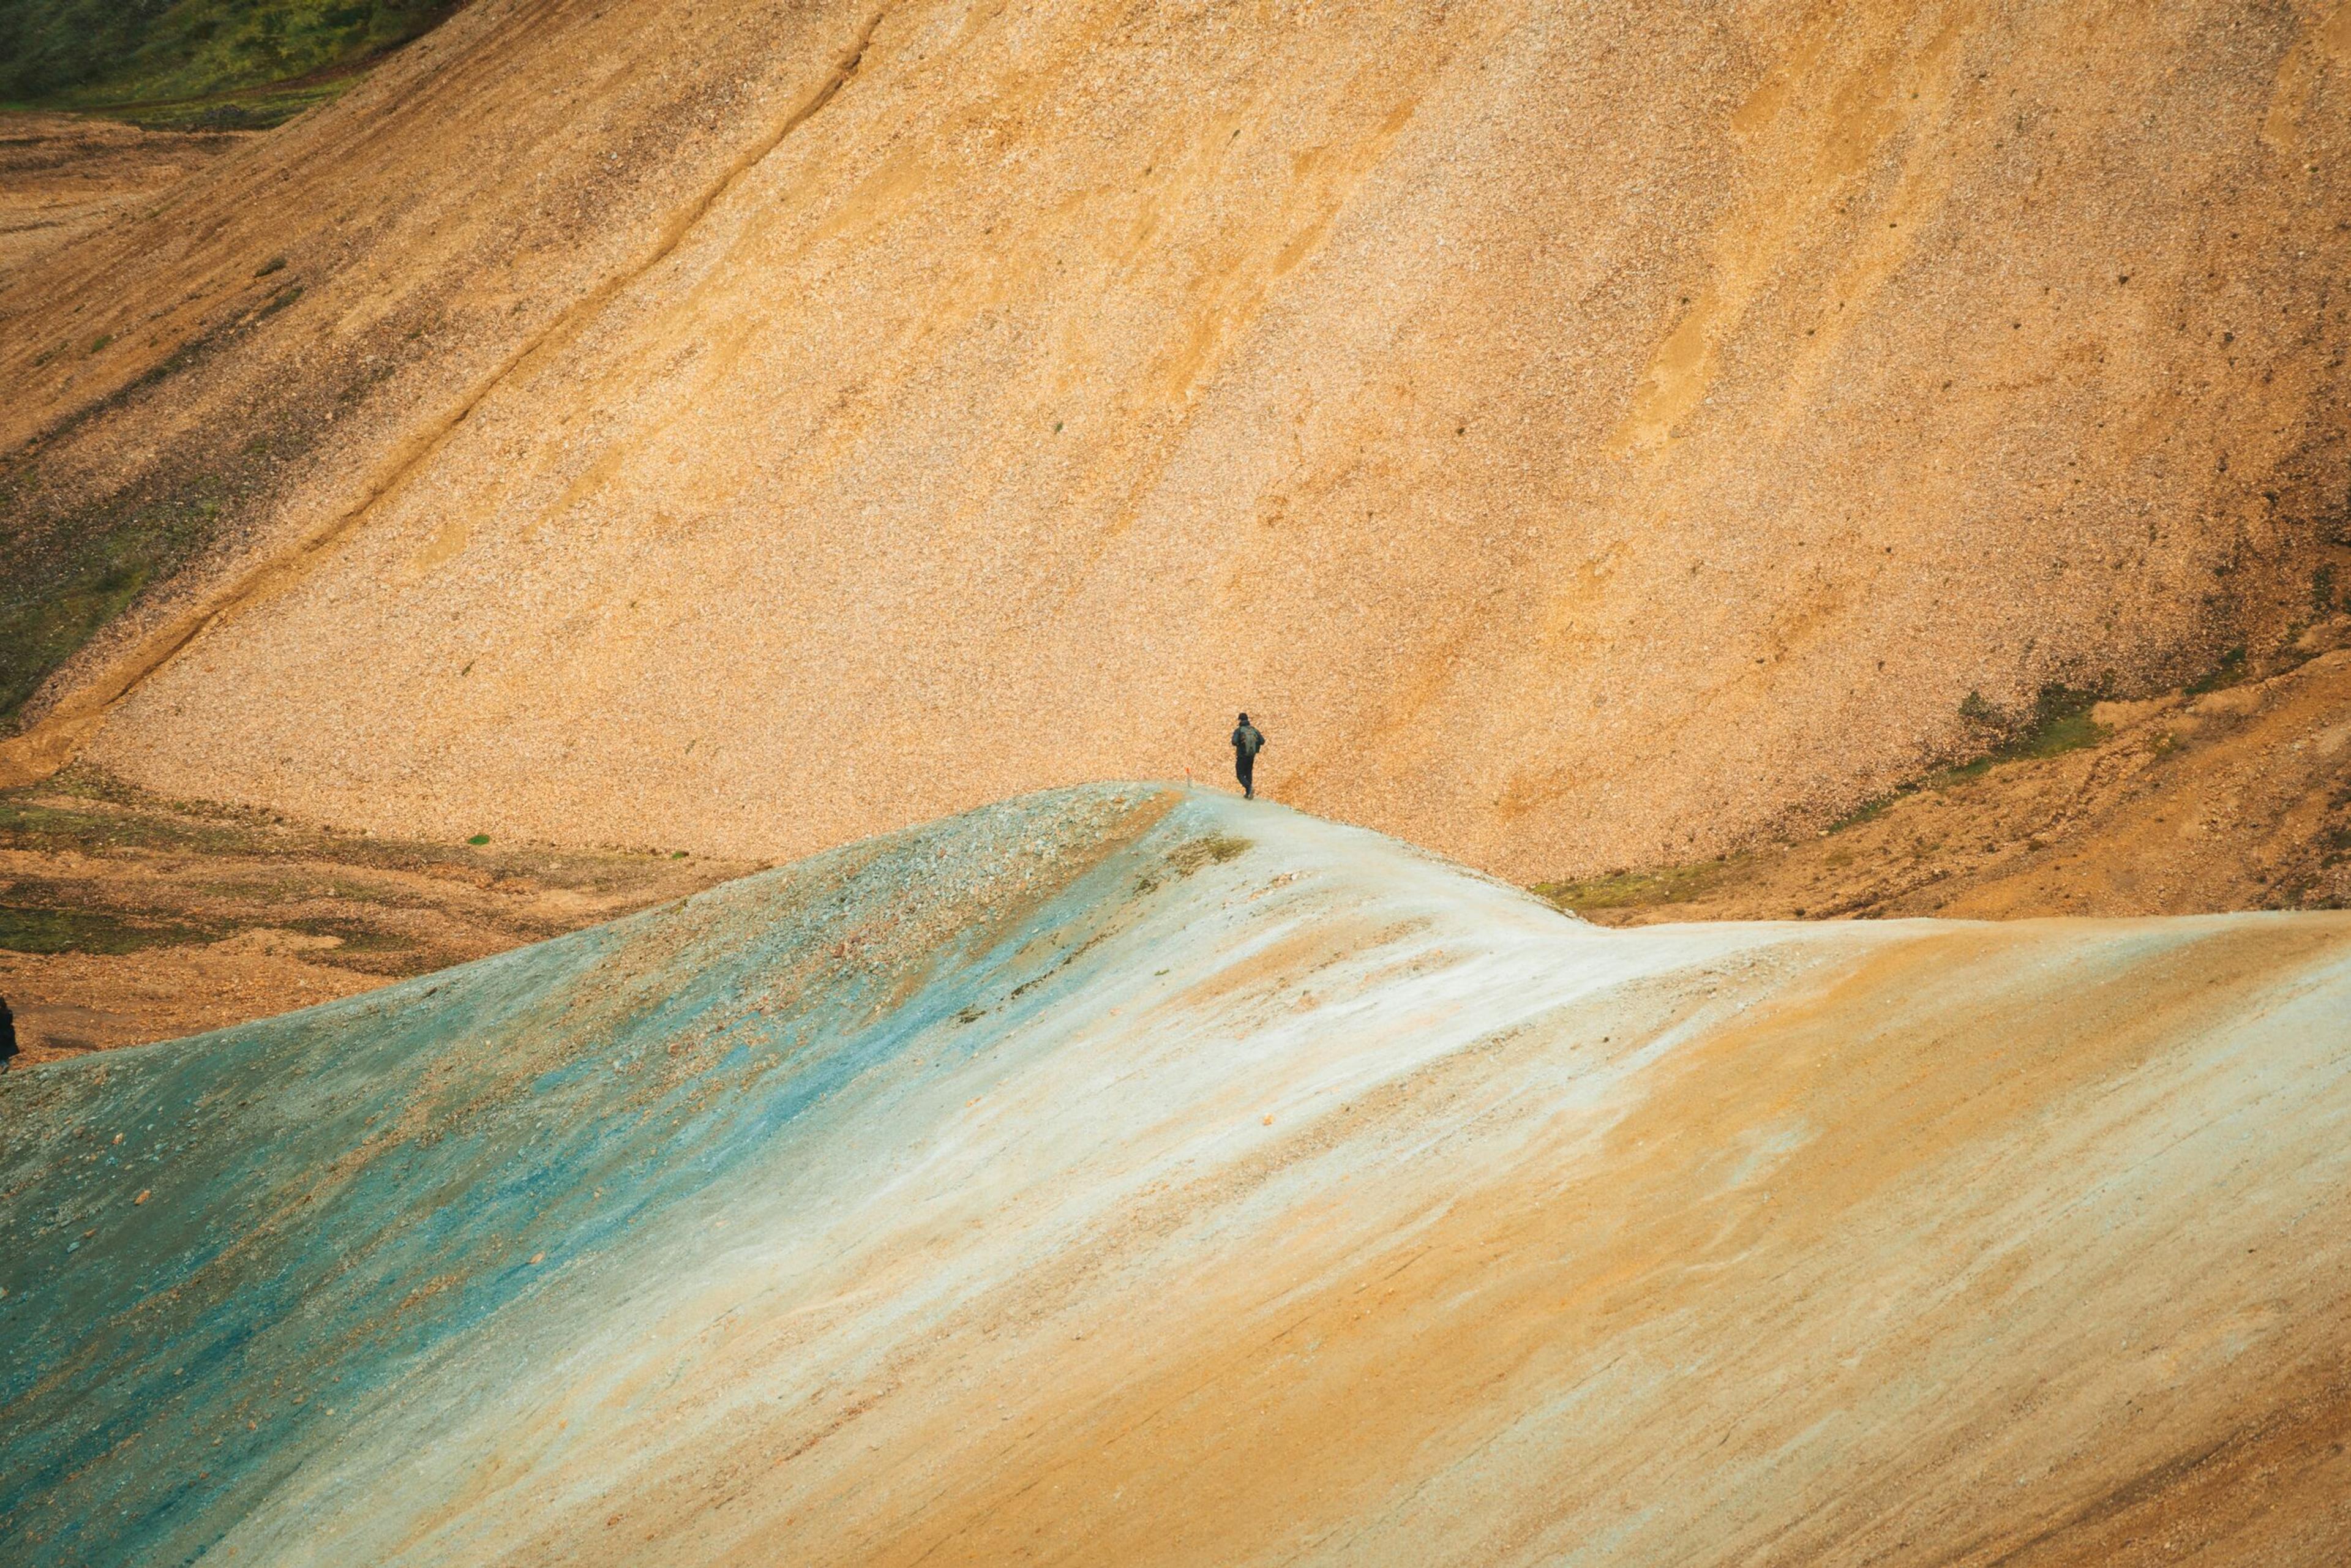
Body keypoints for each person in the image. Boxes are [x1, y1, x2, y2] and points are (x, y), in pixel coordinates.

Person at [1231, 712, 1267, 799]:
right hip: (1251, 756)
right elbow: (1262, 741)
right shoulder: (1254, 730)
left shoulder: (1239, 730)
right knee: (1248, 772)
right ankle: (1248, 793)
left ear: (1240, 720)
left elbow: (1234, 742)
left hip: (1242, 756)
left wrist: (1240, 744)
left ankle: (1249, 788)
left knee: (1240, 774)